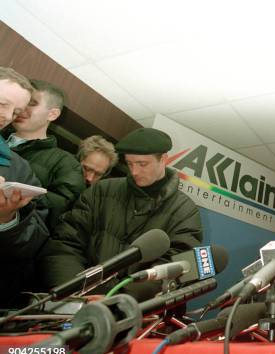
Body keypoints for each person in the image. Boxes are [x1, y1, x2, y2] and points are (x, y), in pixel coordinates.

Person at [38, 127, 203, 301]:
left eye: (142, 164)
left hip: (133, 313)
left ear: (163, 159)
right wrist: (75, 292)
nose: (134, 172)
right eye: (130, 163)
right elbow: (64, 245)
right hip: (76, 301)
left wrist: (119, 299)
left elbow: (177, 268)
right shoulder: (100, 191)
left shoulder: (185, 211)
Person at [3, 79, 85, 229]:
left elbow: (58, 212)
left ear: (52, 114)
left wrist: (12, 191)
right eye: (23, 102)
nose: (22, 109)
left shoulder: (66, 163)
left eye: (32, 104)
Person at [0, 67, 49, 307]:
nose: (7, 116)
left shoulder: (19, 169)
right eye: (2, 104)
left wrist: (6, 219)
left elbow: (34, 240)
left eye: (16, 111)